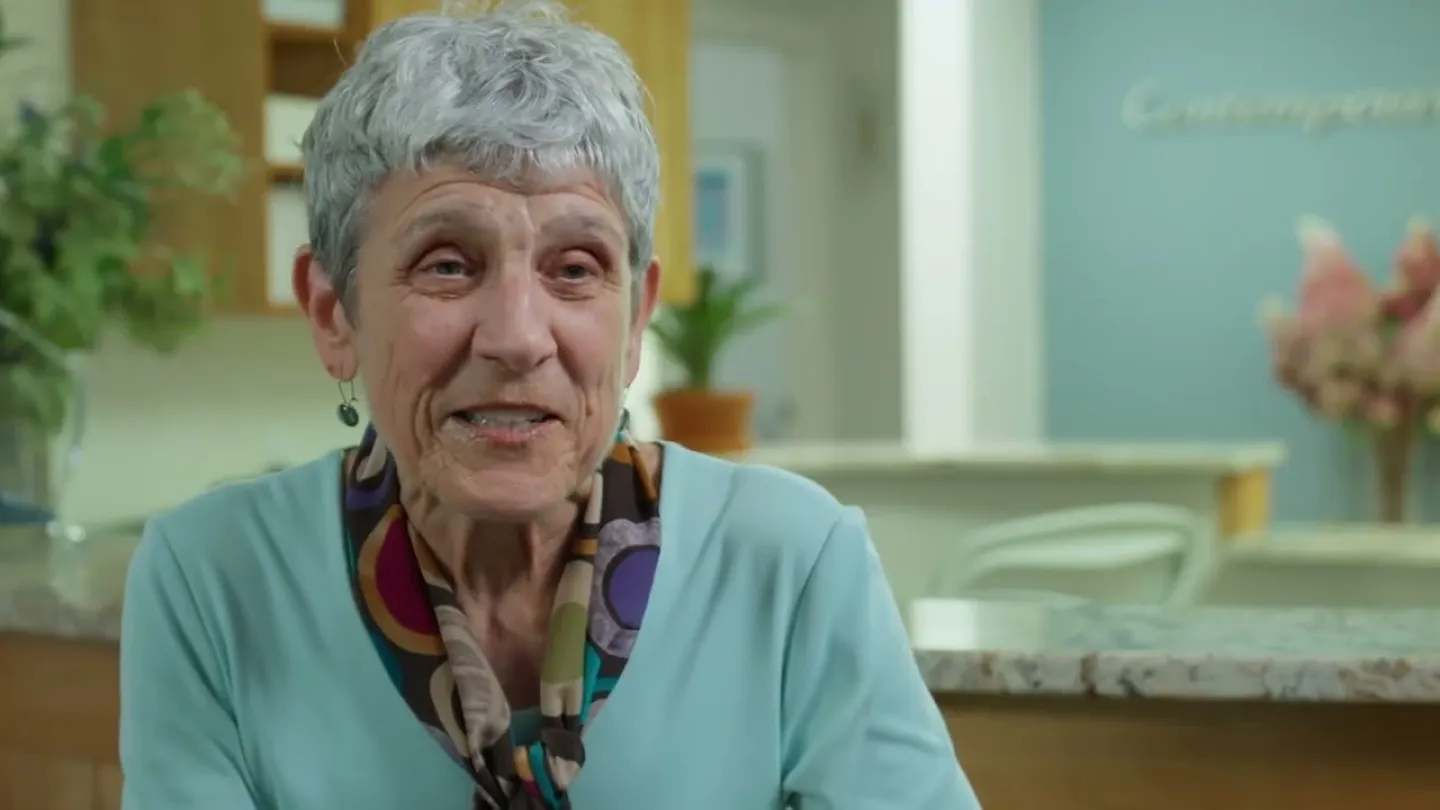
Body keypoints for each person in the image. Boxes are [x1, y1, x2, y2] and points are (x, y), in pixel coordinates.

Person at [117, 2, 980, 808]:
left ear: (636, 316)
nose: (519, 337)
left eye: (574, 269)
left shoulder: (793, 564)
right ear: (334, 311)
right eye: (448, 264)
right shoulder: (211, 578)